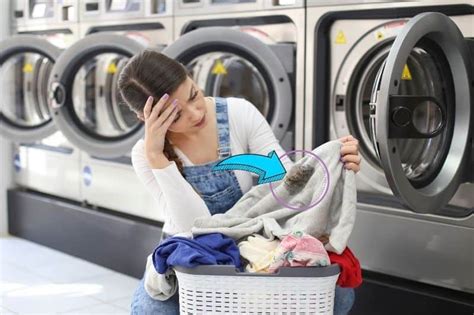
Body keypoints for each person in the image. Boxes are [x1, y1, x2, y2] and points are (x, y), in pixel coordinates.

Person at [118, 50, 361, 315]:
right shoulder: (145, 155)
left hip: (254, 239)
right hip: (188, 252)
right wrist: (157, 158)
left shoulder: (238, 113)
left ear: (191, 77)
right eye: (175, 116)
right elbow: (194, 227)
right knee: (149, 310)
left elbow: (287, 188)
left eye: (193, 95)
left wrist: (333, 164)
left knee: (338, 297)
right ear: (148, 118)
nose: (195, 112)